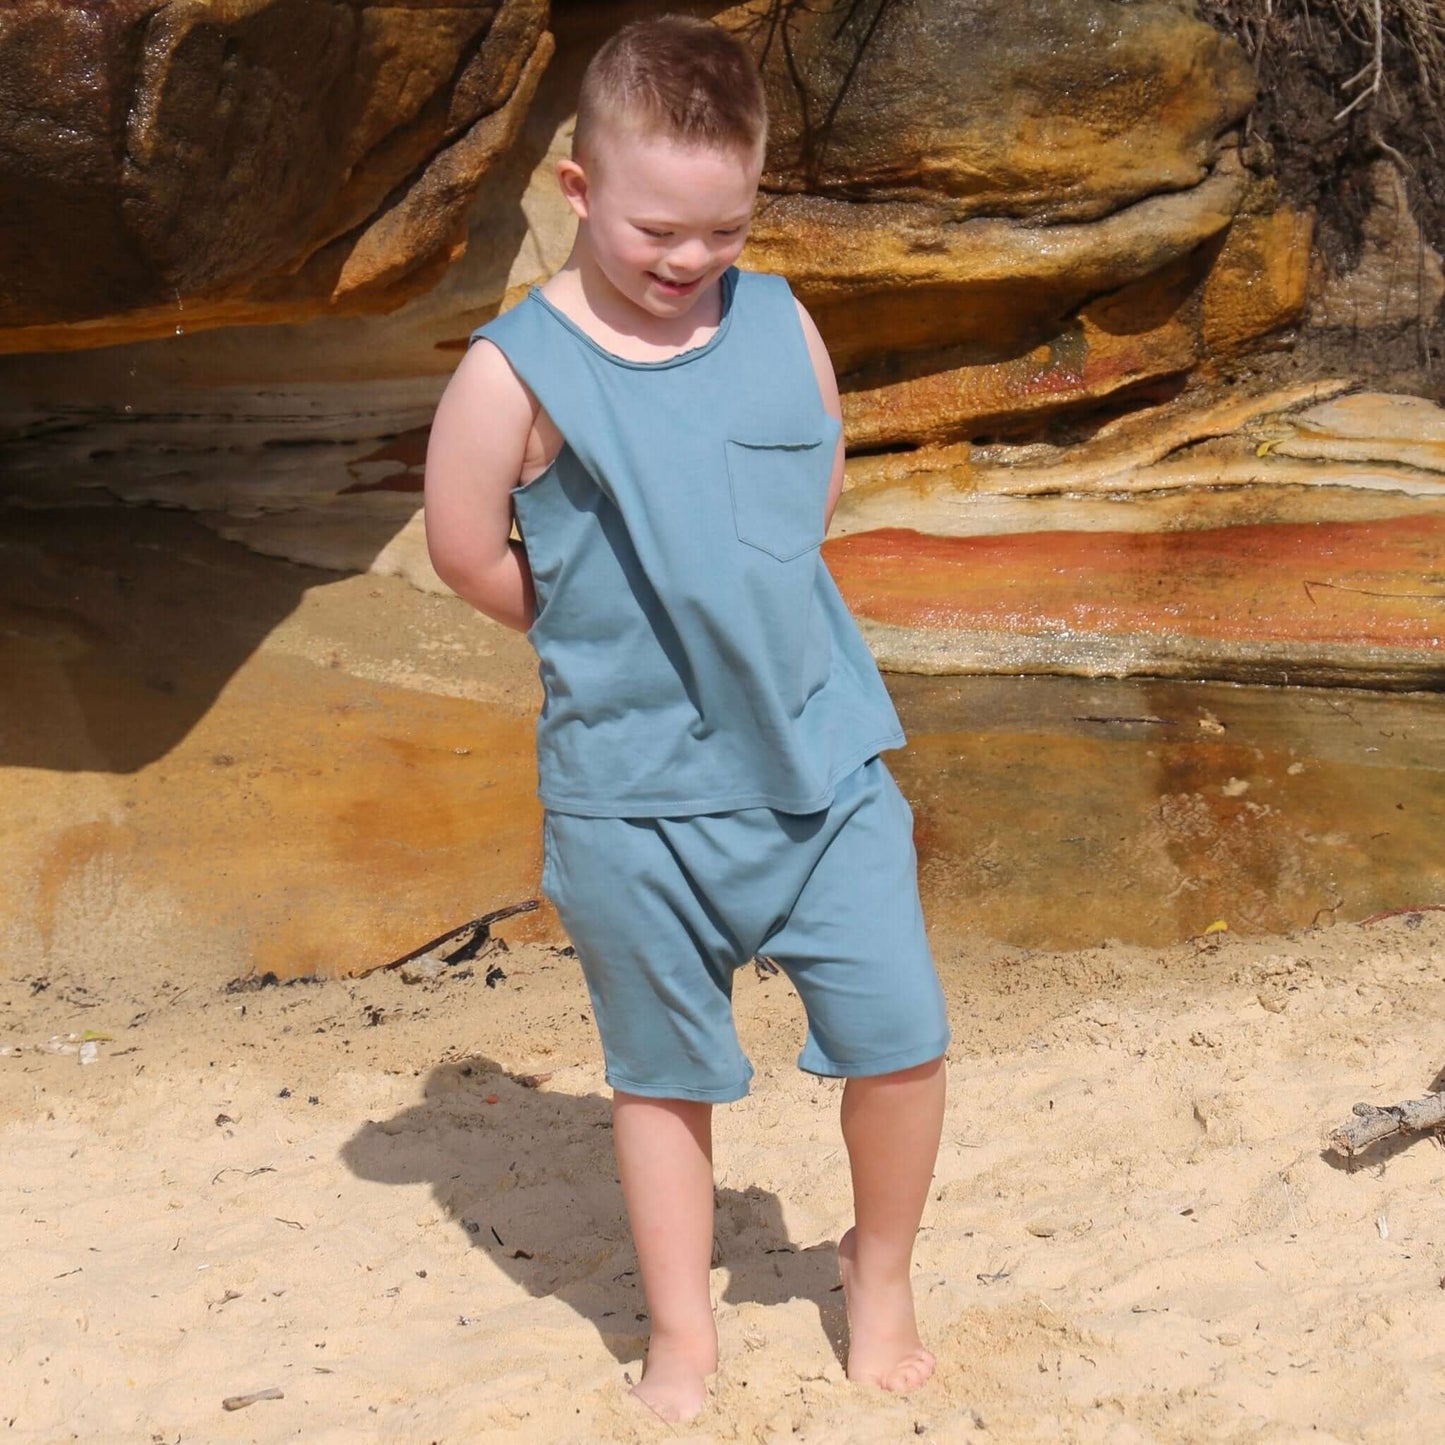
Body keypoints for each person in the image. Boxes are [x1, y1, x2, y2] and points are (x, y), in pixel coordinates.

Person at [423, 13, 949, 1424]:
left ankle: (877, 1268)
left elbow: (811, 490)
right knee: (662, 1078)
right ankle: (680, 1333)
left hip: (821, 765)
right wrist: (593, 628)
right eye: (658, 226)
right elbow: (464, 547)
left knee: (900, 1035)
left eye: (722, 229)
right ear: (578, 191)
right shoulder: (512, 369)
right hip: (628, 800)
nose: (687, 258)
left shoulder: (781, 321)